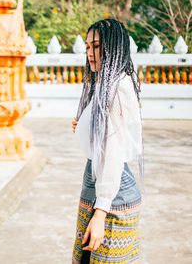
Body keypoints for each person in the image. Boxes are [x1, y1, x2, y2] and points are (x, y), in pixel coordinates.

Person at [71, 18, 144, 263]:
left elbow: (113, 151)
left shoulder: (117, 87)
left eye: (97, 46)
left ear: (114, 47)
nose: (91, 53)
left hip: (112, 192)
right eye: (88, 47)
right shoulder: (104, 82)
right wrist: (82, 127)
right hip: (96, 183)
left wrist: (101, 212)